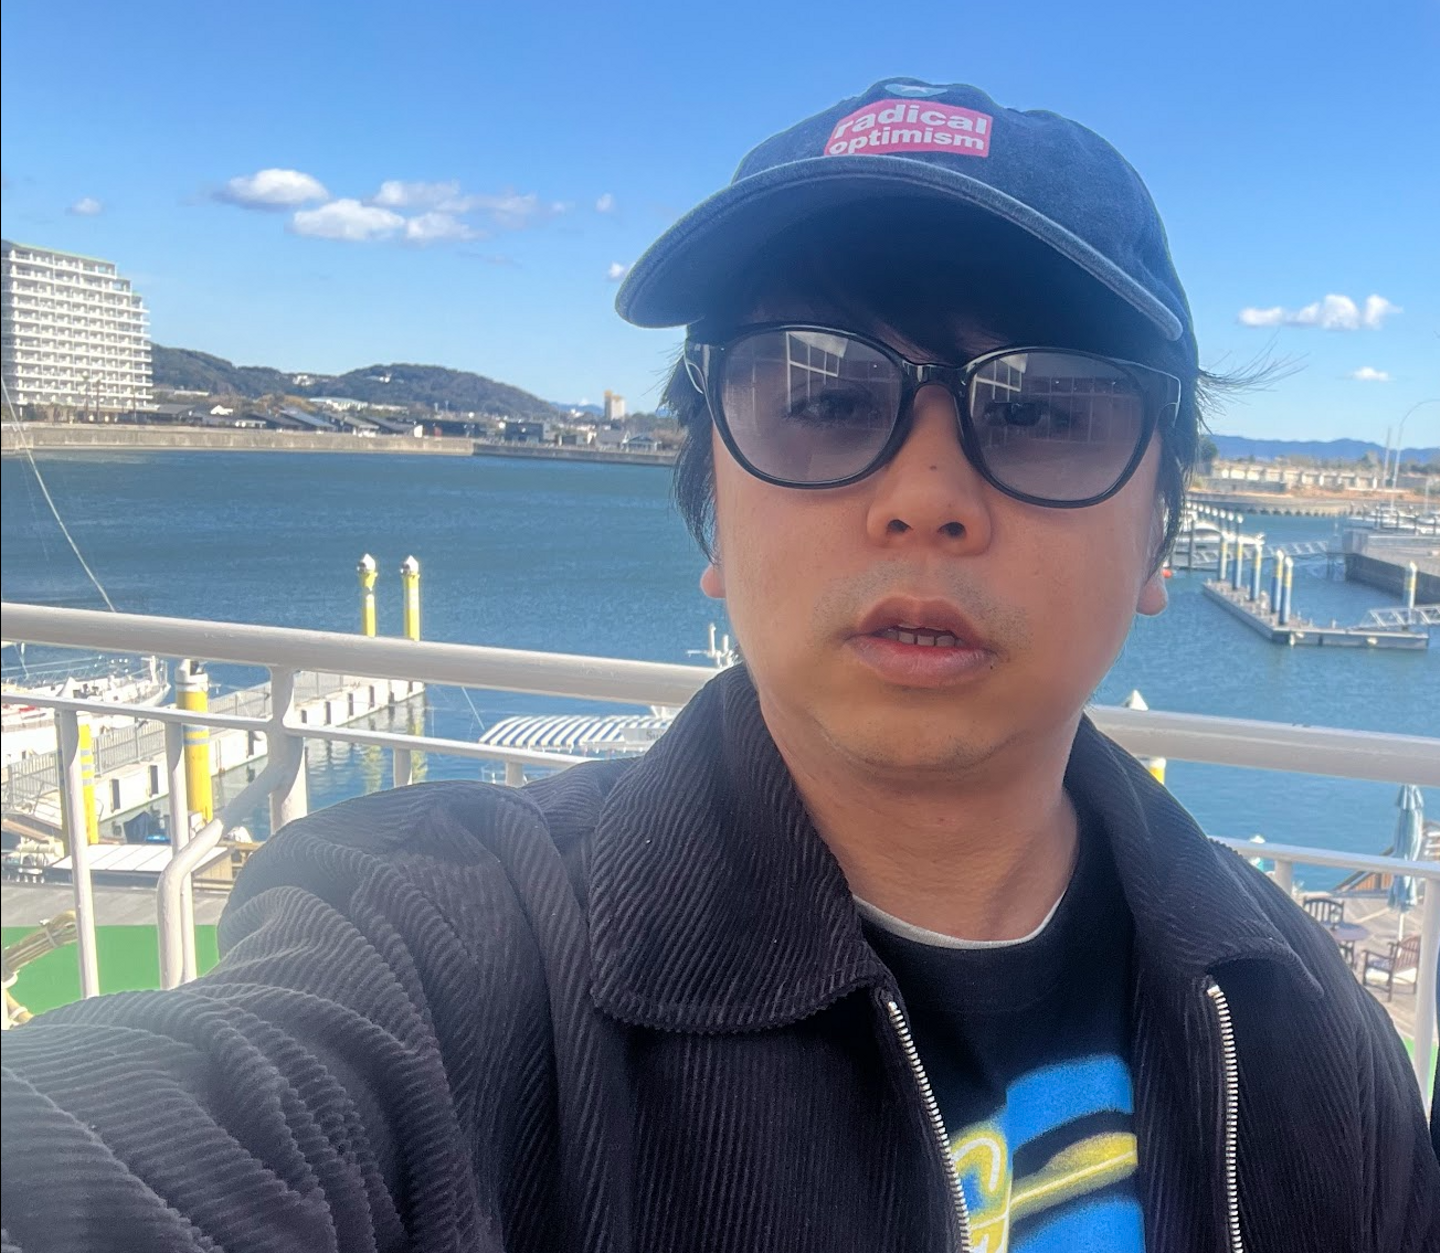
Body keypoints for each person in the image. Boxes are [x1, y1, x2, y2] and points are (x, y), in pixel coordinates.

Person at [2, 77, 1435, 1251]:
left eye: (1046, 410)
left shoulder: (1302, 1032)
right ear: (712, 514)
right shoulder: (451, 958)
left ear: (1159, 532)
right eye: (821, 393)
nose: (924, 494)